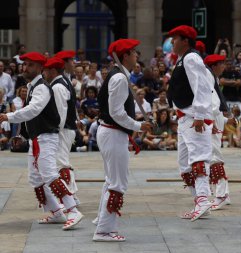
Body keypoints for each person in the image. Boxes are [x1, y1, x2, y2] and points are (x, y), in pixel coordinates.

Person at [0, 52, 83, 230]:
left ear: (39, 67)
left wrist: (8, 116)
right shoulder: (33, 86)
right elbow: (31, 114)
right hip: (38, 137)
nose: (24, 68)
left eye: (29, 65)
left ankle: (73, 209)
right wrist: (23, 134)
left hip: (47, 137)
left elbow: (33, 109)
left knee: (50, 174)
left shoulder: (42, 87)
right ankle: (56, 211)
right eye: (24, 64)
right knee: (35, 178)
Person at [93, 39, 152, 242]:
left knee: (112, 180)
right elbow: (116, 112)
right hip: (112, 132)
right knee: (118, 183)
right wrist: (137, 125)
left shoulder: (119, 76)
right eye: (134, 52)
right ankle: (104, 230)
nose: (137, 56)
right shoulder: (119, 78)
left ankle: (102, 222)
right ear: (125, 55)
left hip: (111, 132)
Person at [167, 25, 214, 221]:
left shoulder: (191, 58)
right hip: (184, 117)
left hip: (194, 117)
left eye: (174, 38)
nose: (171, 42)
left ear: (185, 40)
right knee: (184, 165)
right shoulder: (182, 59)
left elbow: (202, 87)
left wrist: (200, 115)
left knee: (198, 158)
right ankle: (199, 201)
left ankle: (204, 200)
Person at [43, 57, 81, 205]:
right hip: (66, 129)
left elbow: (60, 112)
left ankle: (67, 198)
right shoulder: (63, 82)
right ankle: (72, 196)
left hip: (62, 130)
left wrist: (55, 131)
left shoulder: (58, 86)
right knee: (62, 163)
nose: (44, 73)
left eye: (45, 70)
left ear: (52, 71)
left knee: (61, 164)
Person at [204, 54, 236, 210]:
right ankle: (225, 194)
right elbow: (213, 107)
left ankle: (221, 195)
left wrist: (218, 121)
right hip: (212, 120)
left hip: (213, 120)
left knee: (214, 156)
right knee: (212, 155)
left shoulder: (213, 80)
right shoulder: (210, 79)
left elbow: (215, 107)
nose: (224, 67)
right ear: (213, 66)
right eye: (221, 64)